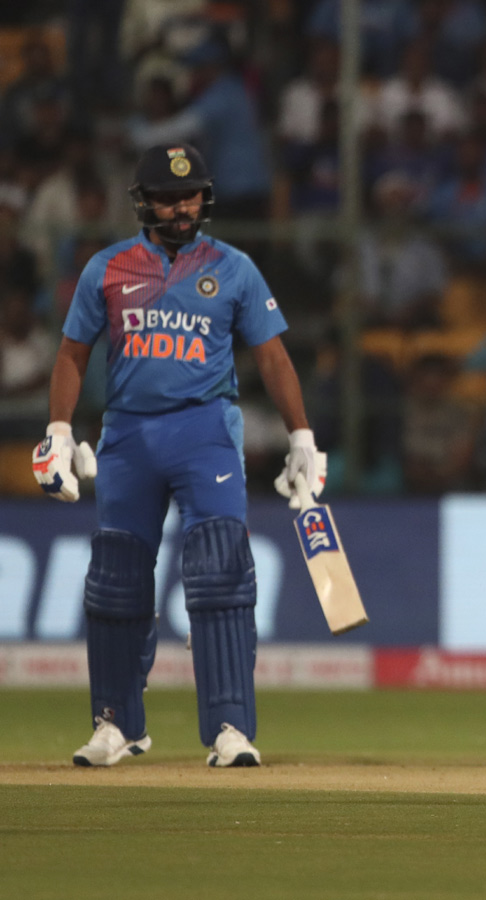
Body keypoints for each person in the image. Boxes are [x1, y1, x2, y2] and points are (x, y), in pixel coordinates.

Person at [30, 143, 326, 769]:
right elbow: (72, 354)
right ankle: (116, 724)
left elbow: (273, 357)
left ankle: (230, 727)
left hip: (205, 431)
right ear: (144, 202)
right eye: (167, 198)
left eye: (190, 196)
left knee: (220, 574)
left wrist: (302, 436)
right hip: (128, 437)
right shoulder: (107, 268)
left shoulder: (234, 268)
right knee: (116, 583)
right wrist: (57, 431)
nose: (181, 207)